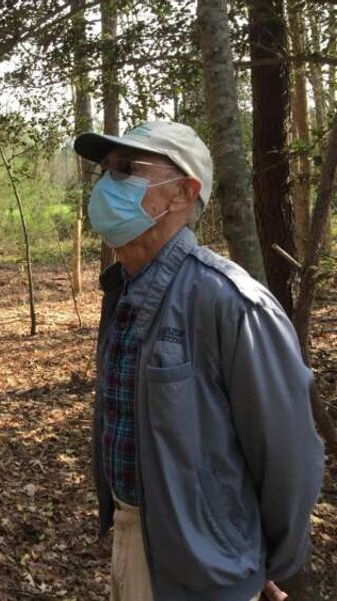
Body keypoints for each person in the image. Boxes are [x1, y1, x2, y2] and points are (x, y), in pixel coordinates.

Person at [73, 121, 324, 601]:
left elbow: (288, 455)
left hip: (206, 568)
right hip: (132, 537)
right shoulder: (121, 289)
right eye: (104, 171)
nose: (106, 185)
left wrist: (252, 557)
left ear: (183, 193)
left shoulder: (229, 301)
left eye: (127, 170)